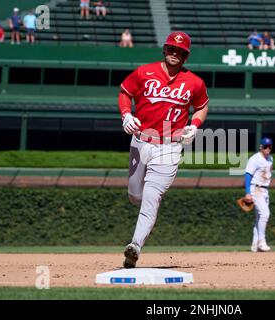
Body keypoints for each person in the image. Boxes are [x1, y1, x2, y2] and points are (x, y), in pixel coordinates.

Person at [118, 31, 209, 268]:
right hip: (140, 142)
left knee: (151, 197)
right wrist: (126, 115)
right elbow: (125, 93)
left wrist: (195, 126)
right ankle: (137, 230)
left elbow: (201, 107)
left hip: (169, 148)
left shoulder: (194, 82)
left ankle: (134, 247)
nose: (175, 53)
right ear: (164, 49)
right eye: (171, 48)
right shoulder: (143, 72)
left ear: (186, 56)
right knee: (135, 195)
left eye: (180, 51)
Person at [244, 137, 273, 253]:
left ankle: (255, 245)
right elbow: (247, 174)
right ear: (261, 147)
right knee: (265, 214)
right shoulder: (255, 159)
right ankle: (262, 241)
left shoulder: (270, 159)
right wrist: (247, 192)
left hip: (265, 190)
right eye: (266, 146)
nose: (268, 149)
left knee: (259, 218)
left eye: (270, 146)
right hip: (255, 189)